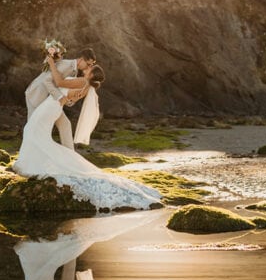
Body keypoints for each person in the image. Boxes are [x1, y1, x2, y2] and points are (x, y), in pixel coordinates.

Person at [14, 55, 162, 211]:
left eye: (90, 68)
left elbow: (59, 83)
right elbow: (69, 98)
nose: (88, 67)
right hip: (53, 107)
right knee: (34, 133)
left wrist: (51, 63)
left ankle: (33, 164)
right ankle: (35, 162)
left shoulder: (82, 82)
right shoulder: (86, 87)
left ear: (91, 74)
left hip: (51, 107)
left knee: (31, 131)